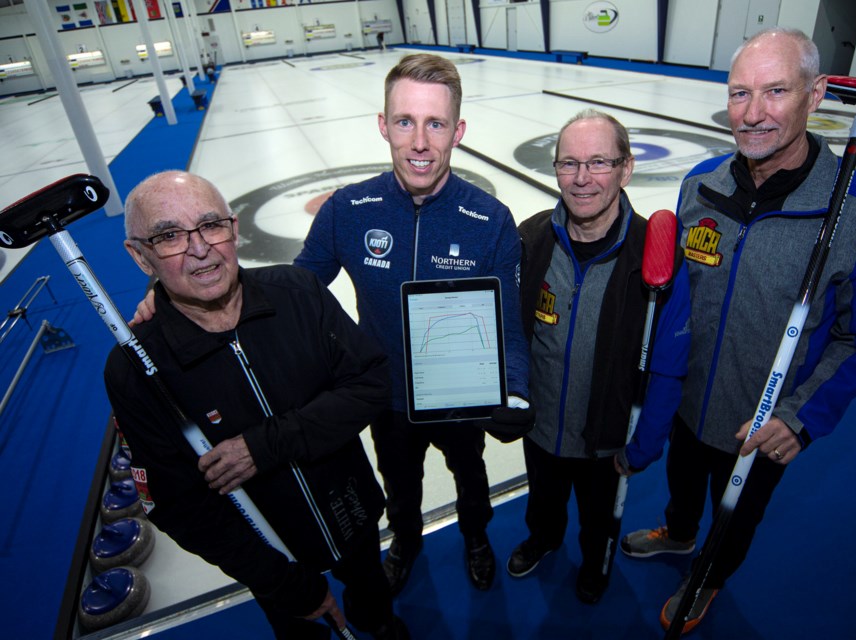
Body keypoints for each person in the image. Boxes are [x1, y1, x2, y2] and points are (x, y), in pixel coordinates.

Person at [619, 27, 856, 634]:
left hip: (763, 419)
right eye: (740, 93)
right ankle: (678, 529)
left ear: (816, 93)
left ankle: (708, 577)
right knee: (683, 478)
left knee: (737, 513)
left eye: (775, 92)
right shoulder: (702, 183)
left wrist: (801, 417)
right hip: (687, 399)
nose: (751, 114)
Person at [104, 171, 408, 640]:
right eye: (169, 236)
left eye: (211, 225)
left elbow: (370, 382)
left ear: (235, 228)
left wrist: (266, 445)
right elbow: (175, 504)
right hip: (271, 552)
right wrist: (281, 583)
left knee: (374, 603)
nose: (200, 248)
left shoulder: (299, 292)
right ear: (140, 256)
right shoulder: (136, 370)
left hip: (351, 512)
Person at [294, 53, 533, 595]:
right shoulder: (349, 210)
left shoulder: (489, 220)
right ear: (383, 125)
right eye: (405, 121)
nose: (420, 142)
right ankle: (406, 542)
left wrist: (515, 391)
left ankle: (476, 538)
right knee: (399, 488)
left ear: (458, 131)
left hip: (460, 398)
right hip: (387, 398)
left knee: (472, 480)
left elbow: (509, 328)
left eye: (435, 123)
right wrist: (190, 297)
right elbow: (294, 293)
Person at [506, 109, 691, 604]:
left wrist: (646, 440)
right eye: (569, 164)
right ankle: (543, 540)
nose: (582, 179)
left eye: (598, 163)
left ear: (626, 168)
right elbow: (510, 331)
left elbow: (672, 361)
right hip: (542, 424)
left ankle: (594, 562)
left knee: (597, 517)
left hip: (608, 438)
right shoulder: (531, 238)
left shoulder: (656, 250)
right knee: (542, 501)